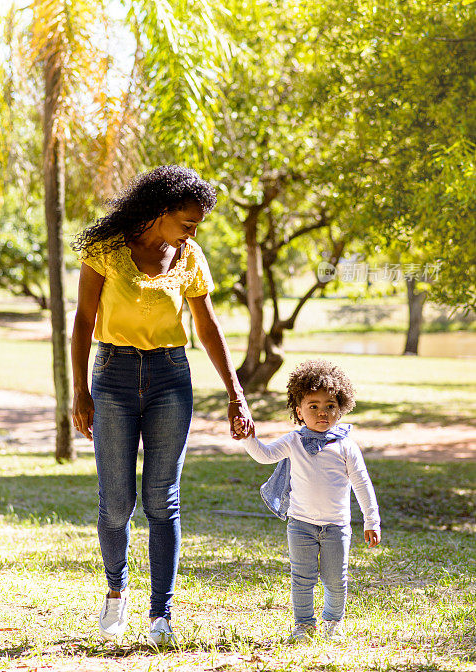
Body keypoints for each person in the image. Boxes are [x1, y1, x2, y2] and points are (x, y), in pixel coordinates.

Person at [70, 165, 253, 648]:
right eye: (188, 221)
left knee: (162, 500)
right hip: (112, 376)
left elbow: (208, 327)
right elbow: (83, 321)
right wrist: (78, 391)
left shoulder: (190, 256)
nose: (194, 231)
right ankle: (115, 590)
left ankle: (161, 615)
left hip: (172, 376)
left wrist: (236, 393)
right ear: (160, 211)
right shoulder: (107, 249)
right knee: (117, 504)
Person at [234, 359, 380, 642]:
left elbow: (362, 484)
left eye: (330, 406)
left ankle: (333, 622)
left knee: (335, 580)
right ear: (299, 411)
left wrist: (371, 520)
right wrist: (248, 437)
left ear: (341, 409)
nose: (322, 412)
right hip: (300, 524)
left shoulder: (346, 446)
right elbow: (264, 455)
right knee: (302, 578)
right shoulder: (293, 440)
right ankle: (304, 624)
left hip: (337, 526)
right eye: (313, 406)